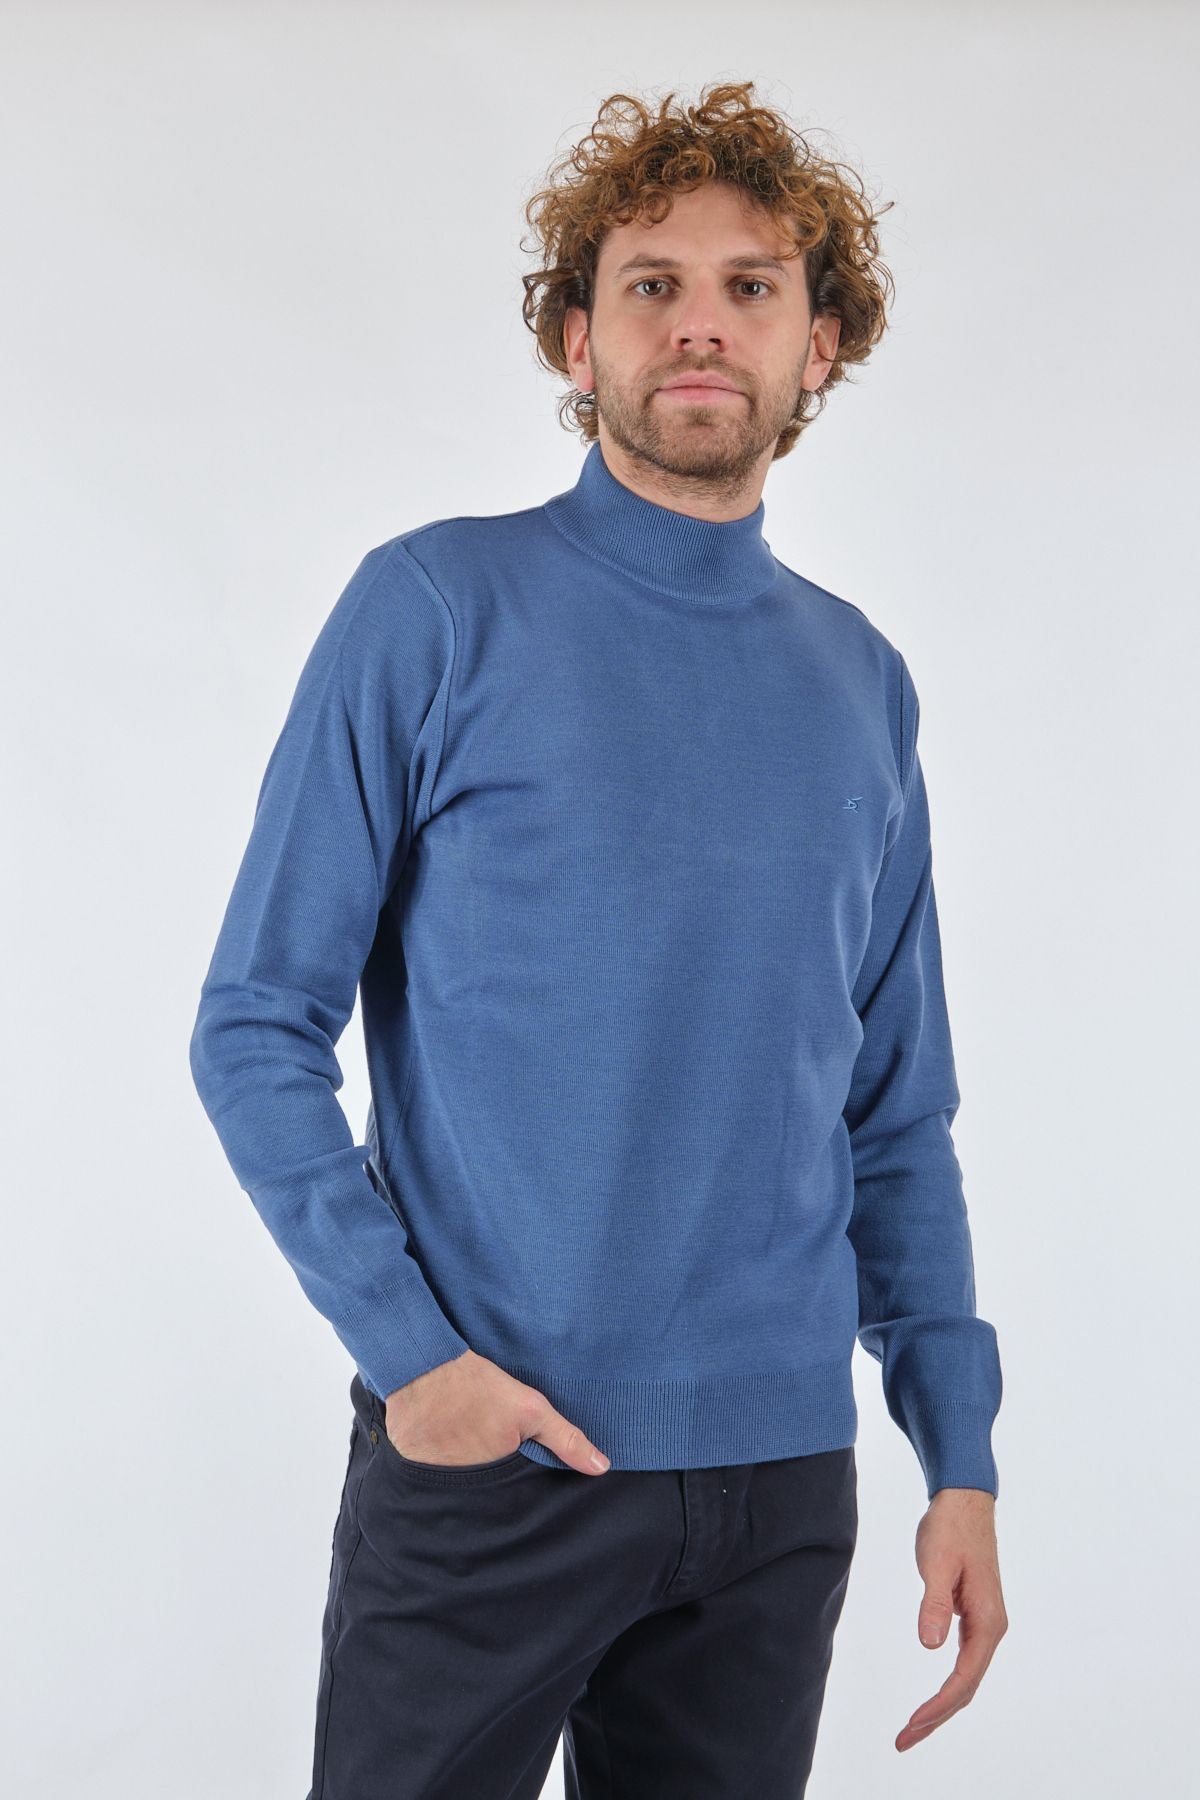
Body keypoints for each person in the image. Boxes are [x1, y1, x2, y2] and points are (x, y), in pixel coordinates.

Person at [189, 78, 1007, 1799]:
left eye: (751, 287)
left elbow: (893, 1112)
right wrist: (417, 1366)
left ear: (820, 346)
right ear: (578, 338)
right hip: (495, 1463)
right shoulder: (436, 607)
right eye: (652, 284)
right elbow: (255, 1022)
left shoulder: (862, 683)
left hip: (778, 1490)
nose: (701, 324)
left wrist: (959, 1453)